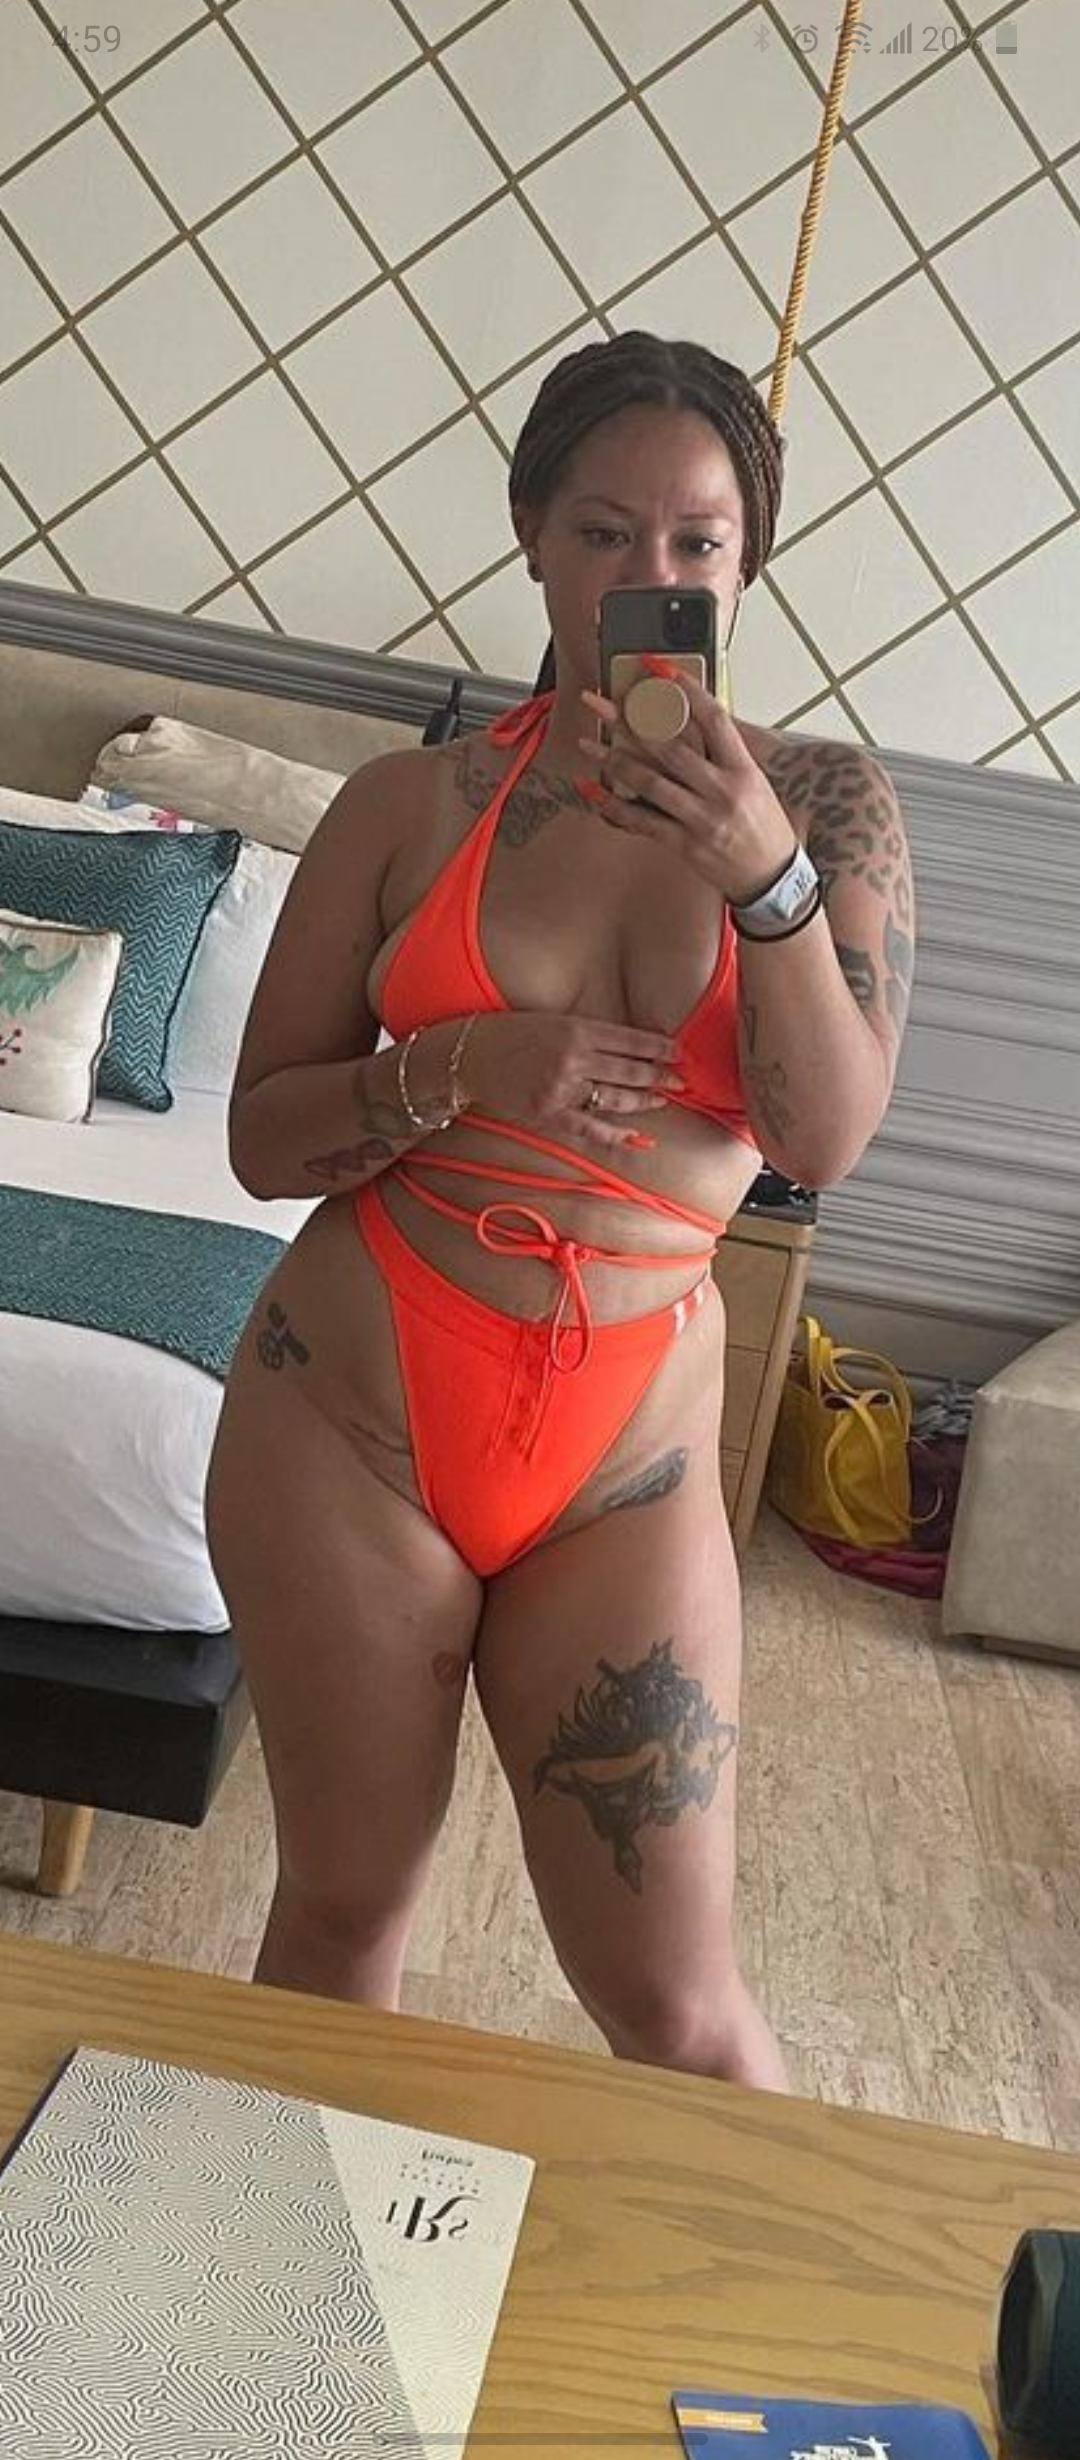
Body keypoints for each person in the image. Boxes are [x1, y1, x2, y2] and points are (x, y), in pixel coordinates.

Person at [206, 331, 914, 2089]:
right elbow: (263, 1137)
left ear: (744, 563)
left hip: (628, 1460)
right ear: (531, 537)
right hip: (351, 1421)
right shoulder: (407, 805)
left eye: (695, 542)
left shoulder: (825, 809)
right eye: (603, 534)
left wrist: (764, 881)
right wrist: (461, 1068)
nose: (646, 576)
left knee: (677, 2007)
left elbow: (823, 1133)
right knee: (343, 1911)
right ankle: (276, 2265)